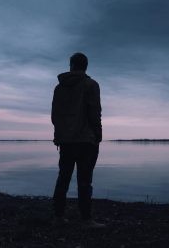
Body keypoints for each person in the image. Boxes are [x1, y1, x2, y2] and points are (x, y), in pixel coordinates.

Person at [51, 52, 104, 228]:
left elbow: (55, 116)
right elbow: (94, 113)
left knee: (63, 178)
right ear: (86, 66)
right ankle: (86, 220)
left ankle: (58, 217)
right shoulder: (91, 85)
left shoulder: (59, 88)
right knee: (85, 180)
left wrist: (59, 135)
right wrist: (98, 135)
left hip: (66, 141)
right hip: (86, 141)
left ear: (71, 65)